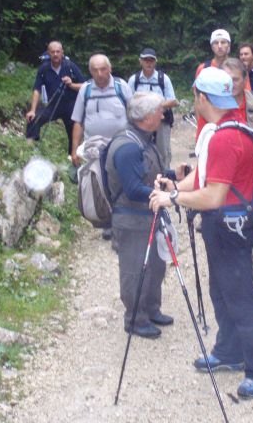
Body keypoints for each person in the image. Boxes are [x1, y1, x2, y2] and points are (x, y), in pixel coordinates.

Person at [149, 67, 253, 399]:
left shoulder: (225, 137)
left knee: (241, 296)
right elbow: (204, 176)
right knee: (221, 290)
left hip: (230, 225)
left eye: (195, 95)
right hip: (223, 224)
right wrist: (176, 185)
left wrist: (172, 197)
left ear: (202, 97)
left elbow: (213, 195)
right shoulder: (228, 128)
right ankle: (229, 352)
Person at [104, 91, 178, 339]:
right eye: (159, 111)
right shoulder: (127, 146)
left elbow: (148, 173)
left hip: (148, 216)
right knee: (136, 269)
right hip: (132, 220)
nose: (163, 114)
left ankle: (151, 309)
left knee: (155, 266)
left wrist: (172, 174)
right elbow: (134, 189)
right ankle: (135, 318)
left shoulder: (143, 138)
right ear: (146, 117)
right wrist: (164, 195)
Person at [220, 57, 253, 283]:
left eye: (236, 79)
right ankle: (228, 259)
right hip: (225, 169)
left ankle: (247, 260)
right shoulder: (215, 103)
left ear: (246, 80)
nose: (231, 85)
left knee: (252, 217)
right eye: (226, 80)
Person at [71, 53, 132, 240]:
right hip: (94, 149)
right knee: (101, 185)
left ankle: (124, 222)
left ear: (110, 69)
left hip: (120, 146)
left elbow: (135, 115)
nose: (99, 73)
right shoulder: (86, 90)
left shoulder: (122, 87)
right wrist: (74, 149)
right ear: (90, 71)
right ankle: (108, 222)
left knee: (121, 185)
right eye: (95, 70)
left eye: (103, 69)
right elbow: (78, 122)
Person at [25, 41, 85, 155]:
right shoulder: (44, 69)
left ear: (62, 52)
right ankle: (29, 150)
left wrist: (71, 84)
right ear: (49, 53)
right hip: (53, 105)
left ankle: (73, 158)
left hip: (71, 106)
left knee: (74, 134)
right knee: (33, 119)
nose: (56, 54)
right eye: (53, 52)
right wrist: (32, 110)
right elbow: (37, 89)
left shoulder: (70, 66)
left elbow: (85, 86)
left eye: (58, 51)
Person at [127, 48, 178, 169]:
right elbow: (129, 102)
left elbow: (173, 101)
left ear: (155, 62)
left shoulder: (163, 79)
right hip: (140, 122)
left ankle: (165, 175)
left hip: (161, 120)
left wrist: (153, 107)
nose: (148, 63)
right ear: (140, 61)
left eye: (151, 60)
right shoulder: (134, 80)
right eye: (146, 60)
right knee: (140, 148)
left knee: (163, 150)